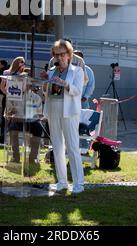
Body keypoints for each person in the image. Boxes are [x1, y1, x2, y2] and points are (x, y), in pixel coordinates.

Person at [42, 39, 85, 194]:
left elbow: (77, 91)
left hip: (69, 111)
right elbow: (47, 92)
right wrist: (43, 85)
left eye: (62, 54)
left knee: (72, 147)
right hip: (53, 108)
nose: (58, 57)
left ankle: (79, 183)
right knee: (57, 147)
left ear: (69, 55)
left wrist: (65, 84)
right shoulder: (51, 71)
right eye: (56, 55)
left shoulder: (77, 71)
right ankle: (62, 182)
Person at [2, 57, 42, 164]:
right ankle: (15, 157)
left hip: (31, 122)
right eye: (21, 81)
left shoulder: (36, 97)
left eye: (25, 82)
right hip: (17, 121)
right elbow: (7, 113)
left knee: (38, 128)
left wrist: (36, 117)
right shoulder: (13, 96)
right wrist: (11, 114)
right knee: (12, 129)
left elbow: (39, 114)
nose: (23, 83)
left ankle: (32, 157)